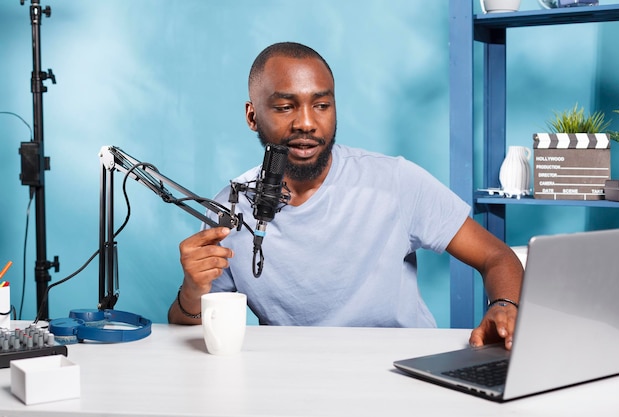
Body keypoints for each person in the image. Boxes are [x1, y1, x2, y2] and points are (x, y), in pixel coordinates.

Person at [168, 42, 523, 350]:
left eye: (321, 105)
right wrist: (192, 287)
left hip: (400, 373)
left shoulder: (395, 181)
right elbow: (190, 320)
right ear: (252, 115)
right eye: (285, 107)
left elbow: (497, 256)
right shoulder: (229, 208)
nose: (306, 123)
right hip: (291, 381)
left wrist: (505, 305)